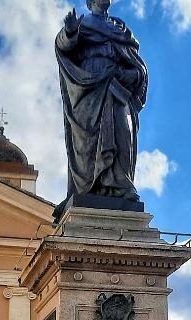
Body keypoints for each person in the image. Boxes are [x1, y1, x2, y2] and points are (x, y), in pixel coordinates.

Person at [56, 0, 148, 205]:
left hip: (117, 87)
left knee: (122, 134)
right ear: (90, 2)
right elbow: (63, 46)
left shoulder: (121, 29)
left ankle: (120, 185)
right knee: (89, 140)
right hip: (88, 86)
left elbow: (137, 66)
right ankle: (91, 187)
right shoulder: (83, 24)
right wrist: (70, 32)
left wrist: (130, 75)